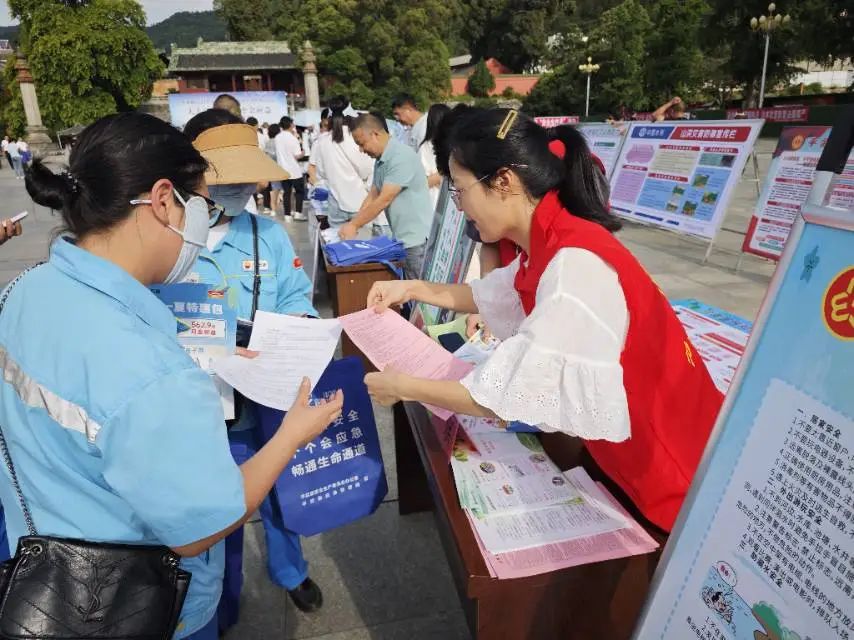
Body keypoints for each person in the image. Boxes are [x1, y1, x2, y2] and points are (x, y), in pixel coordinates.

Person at [0, 112, 343, 640]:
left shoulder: (26, 288)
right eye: (200, 204)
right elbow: (201, 526)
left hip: (46, 572)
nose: (204, 220)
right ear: (163, 201)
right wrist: (292, 436)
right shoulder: (153, 371)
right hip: (138, 602)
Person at [362, 108, 723, 534]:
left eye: (460, 190)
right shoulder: (549, 237)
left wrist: (403, 387)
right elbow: (489, 293)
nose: (460, 207)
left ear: (504, 182)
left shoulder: (573, 264)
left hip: (674, 471)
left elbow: (501, 395)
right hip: (638, 451)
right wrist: (411, 289)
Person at [181, 109, 323, 629]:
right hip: (199, 408)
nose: (241, 189)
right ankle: (223, 595)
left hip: (261, 400)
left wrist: (297, 327)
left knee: (277, 490)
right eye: (227, 180)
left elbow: (297, 298)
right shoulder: (171, 243)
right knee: (220, 510)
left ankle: (290, 571)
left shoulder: (269, 236)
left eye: (247, 178)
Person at [342, 113, 432, 278]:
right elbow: (373, 195)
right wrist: (355, 224)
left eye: (362, 144)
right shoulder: (381, 160)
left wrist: (354, 225)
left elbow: (384, 199)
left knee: (418, 289)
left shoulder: (400, 157)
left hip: (416, 241)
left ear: (375, 134)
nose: (361, 150)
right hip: (402, 239)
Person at [311, 107, 374, 232]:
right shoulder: (355, 138)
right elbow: (366, 170)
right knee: (362, 241)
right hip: (359, 201)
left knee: (339, 241)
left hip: (335, 201)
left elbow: (321, 173)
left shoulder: (322, 141)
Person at [419, 103, 451, 213]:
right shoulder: (426, 147)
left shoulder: (454, 144)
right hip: (434, 200)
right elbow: (423, 182)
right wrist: (443, 174)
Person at [275, 116, 305, 218]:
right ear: (290, 125)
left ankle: (287, 214)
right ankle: (298, 213)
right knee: (299, 192)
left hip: (283, 169)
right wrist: (303, 152)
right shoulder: (293, 138)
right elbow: (297, 155)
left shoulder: (277, 137)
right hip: (294, 170)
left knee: (286, 193)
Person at [266, 123, 285, 215]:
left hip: (273, 169)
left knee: (274, 190)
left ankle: (273, 210)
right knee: (287, 190)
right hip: (283, 167)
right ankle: (290, 210)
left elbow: (267, 155)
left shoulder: (268, 142)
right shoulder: (280, 141)